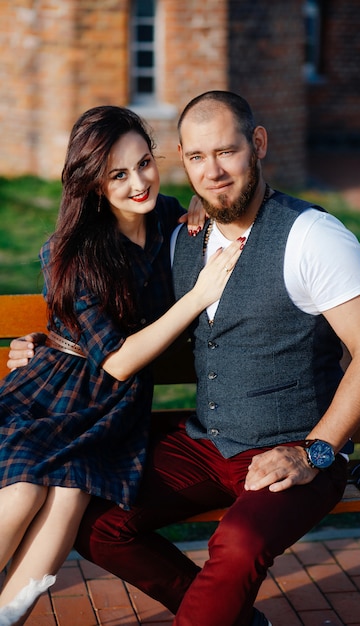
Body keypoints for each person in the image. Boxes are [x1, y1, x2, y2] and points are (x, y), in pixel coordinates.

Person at [8, 92, 360, 626]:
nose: (212, 173)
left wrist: (315, 453)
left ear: (257, 144)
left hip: (297, 448)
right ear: (183, 160)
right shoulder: (181, 237)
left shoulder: (313, 236)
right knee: (98, 521)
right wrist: (44, 340)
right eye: (196, 158)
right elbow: (111, 309)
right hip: (208, 440)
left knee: (235, 543)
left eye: (226, 153)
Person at [0, 104, 243, 626]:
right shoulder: (69, 252)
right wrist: (199, 296)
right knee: (23, 493)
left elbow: (220, 208)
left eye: (144, 163)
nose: (139, 182)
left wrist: (201, 203)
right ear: (92, 184)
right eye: (118, 174)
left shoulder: (168, 219)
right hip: (56, 393)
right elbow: (114, 361)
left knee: (69, 497)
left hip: (111, 413)